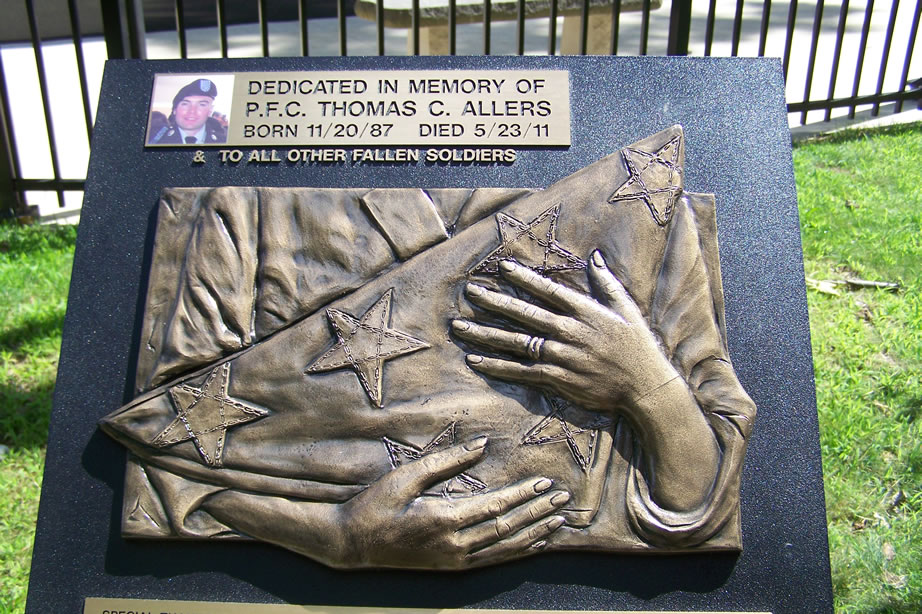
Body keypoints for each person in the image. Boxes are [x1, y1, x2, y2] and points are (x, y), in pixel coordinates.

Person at [148, 78, 227, 145]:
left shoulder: (223, 141)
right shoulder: (155, 139)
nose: (192, 111)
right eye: (185, 104)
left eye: (202, 105)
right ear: (175, 110)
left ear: (210, 111)